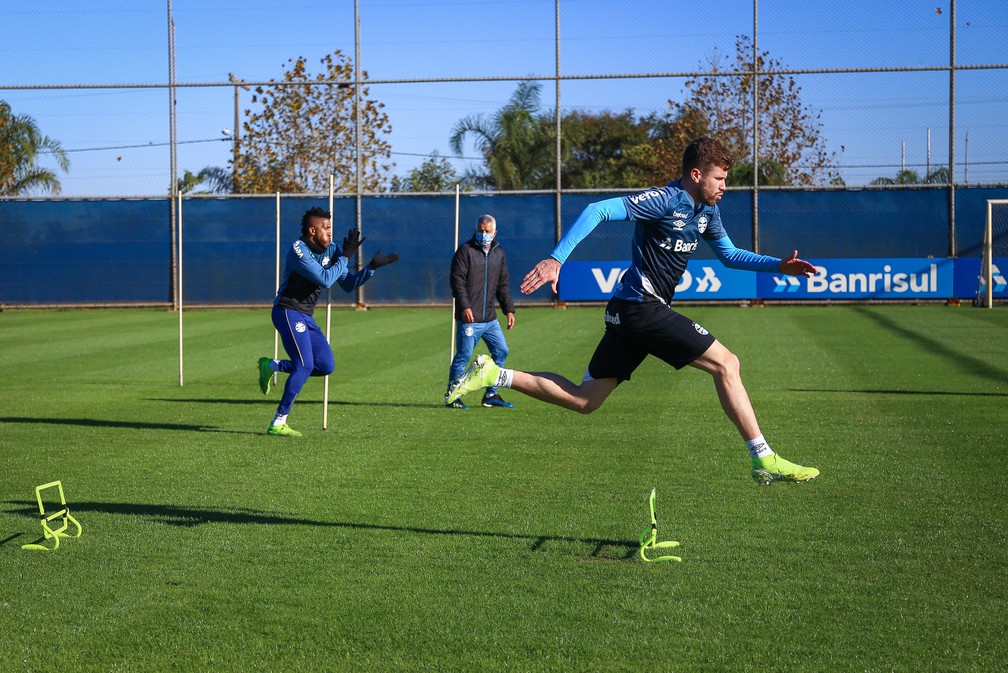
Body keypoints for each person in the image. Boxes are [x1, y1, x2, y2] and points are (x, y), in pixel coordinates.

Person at [447, 137, 820, 485]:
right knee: (727, 363)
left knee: (584, 400)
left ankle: (495, 374)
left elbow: (730, 255)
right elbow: (597, 210)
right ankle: (762, 457)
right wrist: (556, 258)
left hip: (628, 311)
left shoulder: (707, 211)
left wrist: (778, 266)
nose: (724, 186)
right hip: (640, 306)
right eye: (719, 178)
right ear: (696, 175)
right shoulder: (666, 199)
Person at [258, 207, 399, 436]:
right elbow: (324, 279)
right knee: (304, 365)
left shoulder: (332, 250)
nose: (330, 233)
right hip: (287, 311)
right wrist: (345, 256)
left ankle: (271, 365)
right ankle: (278, 421)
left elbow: (347, 284)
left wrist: (371, 268)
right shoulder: (298, 249)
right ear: (312, 231)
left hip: (306, 315)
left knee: (325, 365)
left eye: (331, 228)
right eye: (325, 228)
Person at [445, 213, 516, 409]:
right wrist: (465, 306)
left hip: (490, 319)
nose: (483, 234)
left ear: (495, 232)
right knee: (463, 356)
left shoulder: (499, 253)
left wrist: (509, 310)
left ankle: (491, 394)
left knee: (501, 351)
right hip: (469, 318)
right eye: (480, 231)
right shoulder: (465, 251)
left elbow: (503, 284)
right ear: (476, 231)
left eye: (487, 231)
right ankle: (452, 395)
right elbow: (457, 282)